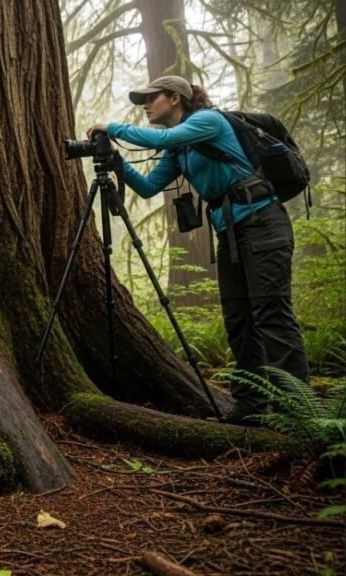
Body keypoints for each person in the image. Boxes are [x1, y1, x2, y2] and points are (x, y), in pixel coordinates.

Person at [87, 75, 309, 424]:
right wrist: (116, 161)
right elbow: (149, 186)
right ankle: (250, 408)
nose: (145, 105)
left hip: (263, 224)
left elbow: (162, 138)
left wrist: (111, 127)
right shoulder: (180, 149)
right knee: (239, 321)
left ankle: (297, 414)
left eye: (151, 98)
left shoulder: (208, 121)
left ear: (175, 98)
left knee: (271, 316)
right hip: (230, 234)